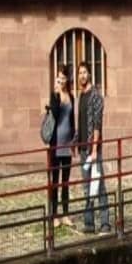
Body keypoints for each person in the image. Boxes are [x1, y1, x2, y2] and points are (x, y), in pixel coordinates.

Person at [76, 60, 107, 233]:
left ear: (90, 74)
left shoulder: (96, 96)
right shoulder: (81, 95)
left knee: (99, 184)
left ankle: (105, 222)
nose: (82, 75)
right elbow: (81, 122)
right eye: (80, 73)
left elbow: (97, 125)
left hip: (92, 149)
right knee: (87, 186)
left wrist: (95, 149)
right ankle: (89, 223)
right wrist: (75, 141)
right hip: (82, 148)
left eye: (84, 72)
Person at [44, 65, 75, 224]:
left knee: (65, 182)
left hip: (67, 145)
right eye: (59, 78)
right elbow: (54, 114)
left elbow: (72, 120)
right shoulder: (54, 95)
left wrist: (74, 142)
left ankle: (66, 214)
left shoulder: (71, 96)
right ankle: (54, 215)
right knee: (55, 181)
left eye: (63, 77)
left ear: (67, 79)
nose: (61, 80)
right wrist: (56, 93)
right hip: (55, 146)